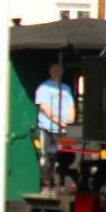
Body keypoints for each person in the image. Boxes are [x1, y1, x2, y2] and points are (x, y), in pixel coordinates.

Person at [35, 62, 75, 190]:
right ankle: (47, 182)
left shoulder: (66, 88)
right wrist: (58, 121)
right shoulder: (44, 88)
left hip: (62, 129)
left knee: (66, 155)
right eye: (55, 70)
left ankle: (62, 180)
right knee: (48, 155)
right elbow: (44, 107)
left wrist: (70, 120)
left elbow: (70, 106)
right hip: (48, 128)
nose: (58, 72)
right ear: (50, 71)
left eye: (60, 70)